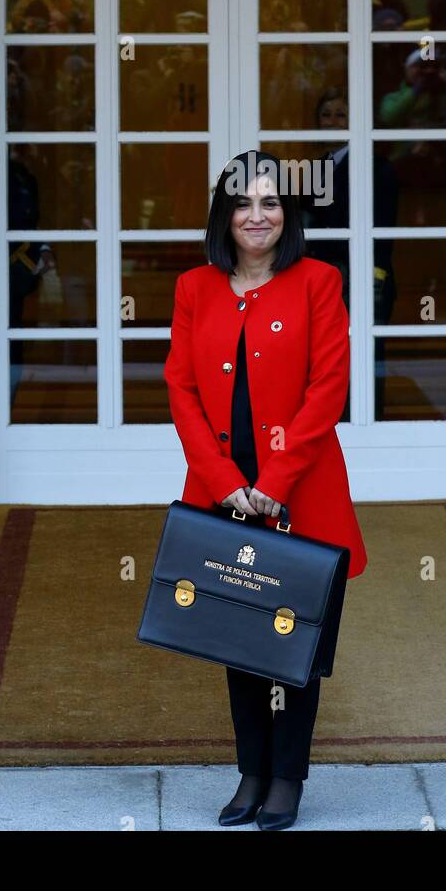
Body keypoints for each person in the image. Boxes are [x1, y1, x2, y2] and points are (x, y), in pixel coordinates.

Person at [163, 149, 367, 830]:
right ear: (224, 214)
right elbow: (181, 390)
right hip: (223, 496)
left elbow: (327, 390)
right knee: (239, 637)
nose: (258, 215)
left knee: (292, 642)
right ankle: (250, 771)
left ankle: (287, 778)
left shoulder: (318, 282)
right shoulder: (195, 287)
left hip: (298, 492)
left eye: (271, 202)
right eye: (244, 203)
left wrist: (274, 484)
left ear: (290, 213)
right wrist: (225, 485)